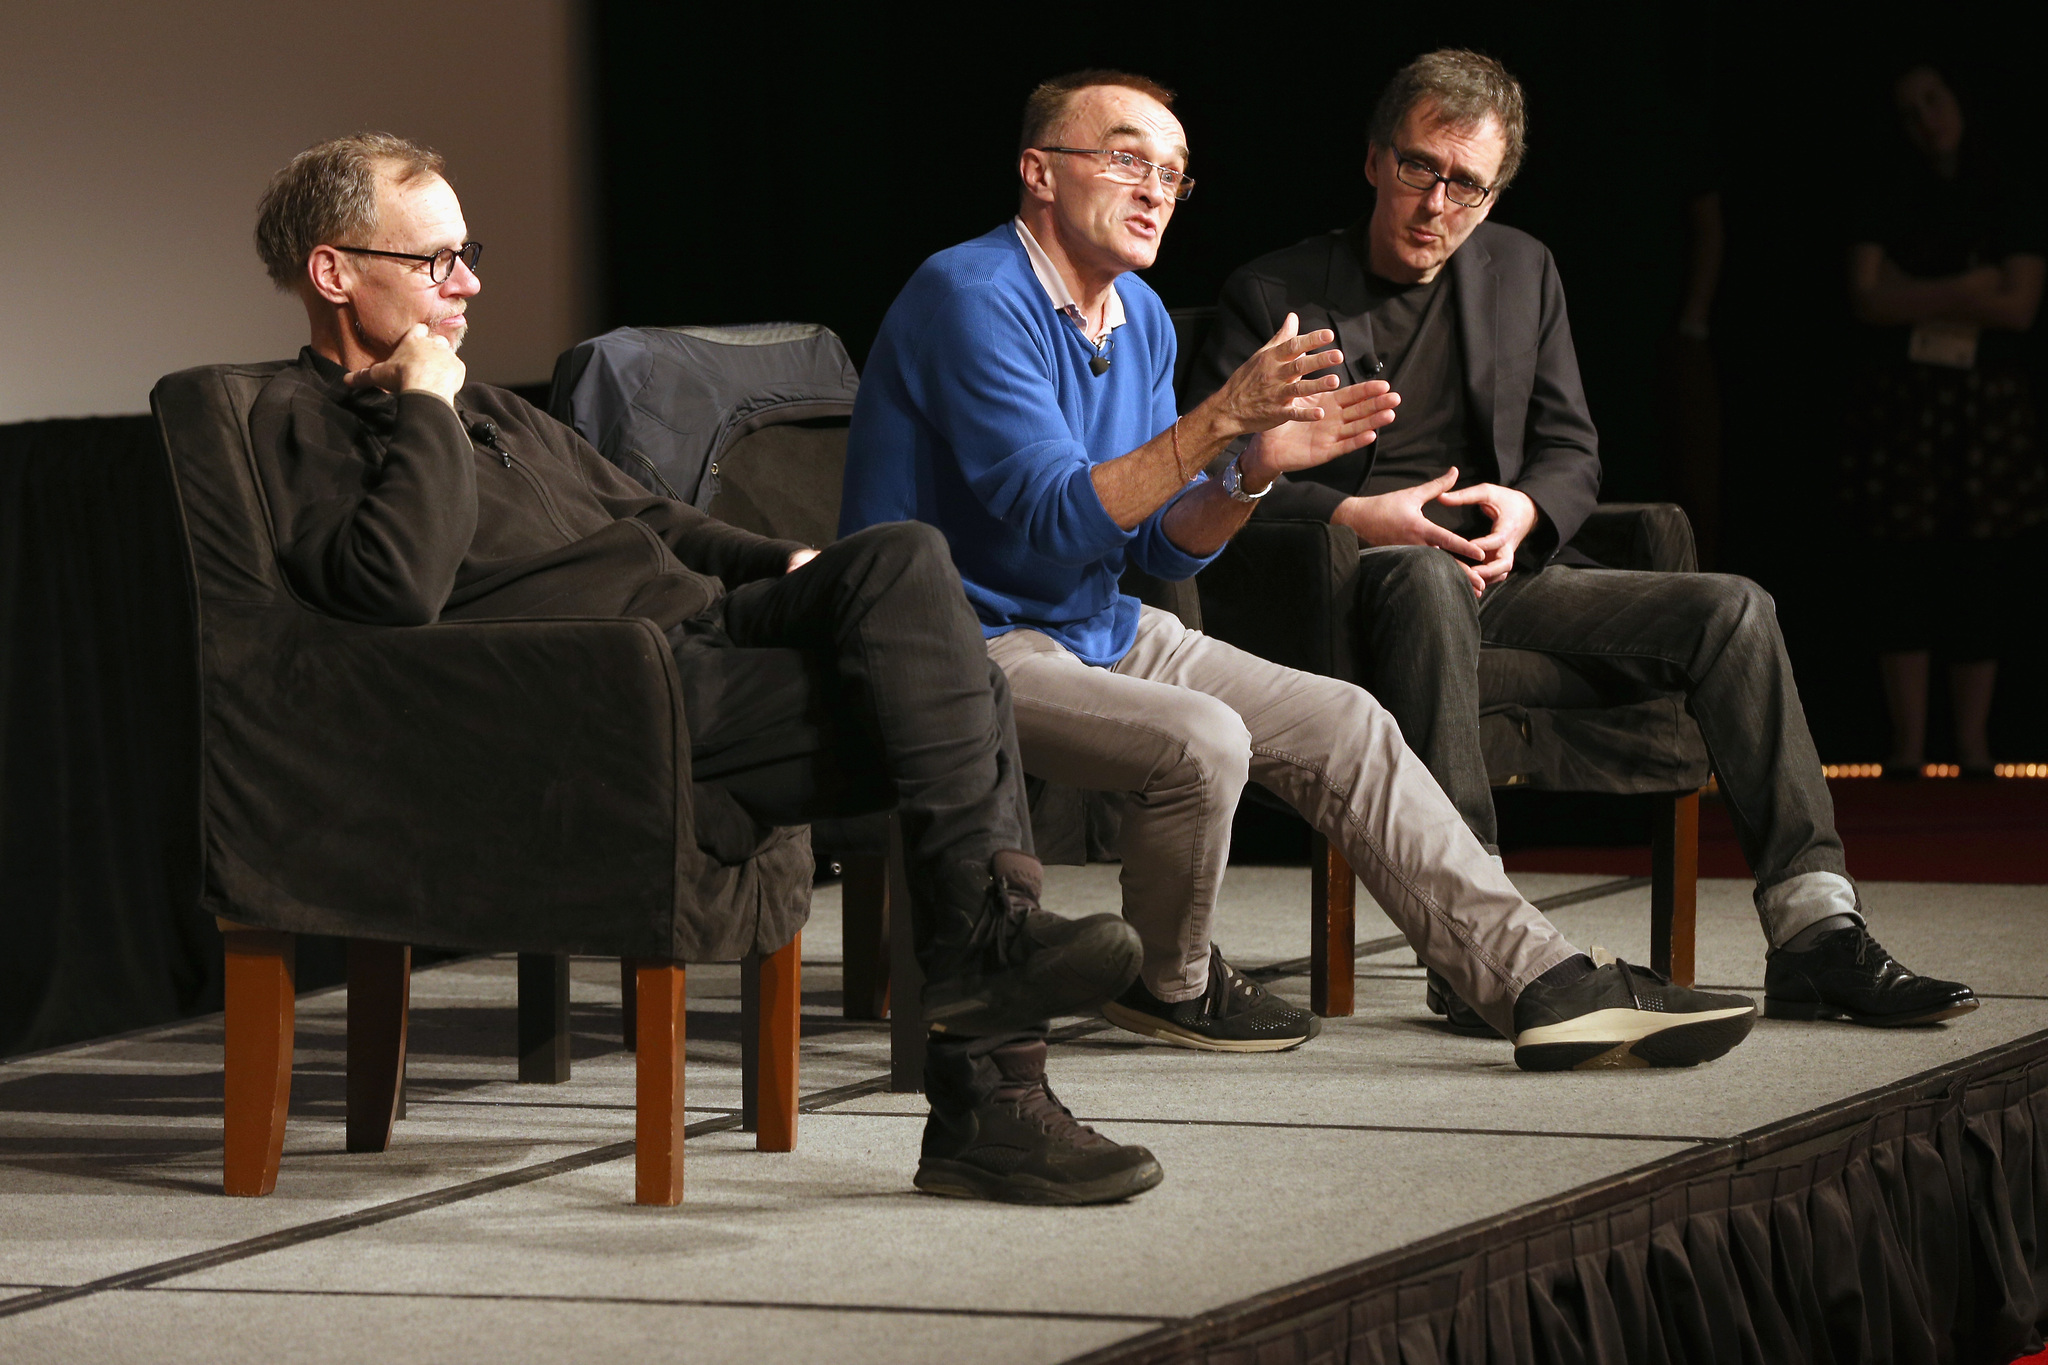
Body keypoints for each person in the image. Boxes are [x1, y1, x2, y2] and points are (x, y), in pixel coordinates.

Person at [249, 132, 1164, 1207]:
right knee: (965, 704)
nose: (470, 282)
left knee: (906, 563)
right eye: (435, 261)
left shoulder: (491, 410)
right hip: (597, 699)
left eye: (469, 252)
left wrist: (785, 560)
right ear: (333, 271)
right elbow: (397, 588)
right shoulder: (298, 425)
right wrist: (423, 403)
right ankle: (989, 1088)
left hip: (702, 638)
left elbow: (648, 517)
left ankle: (982, 967)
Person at [842, 71, 1759, 1073]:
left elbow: (1153, 546)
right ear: (1038, 173)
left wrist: (1249, 471)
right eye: (1125, 159)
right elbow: (1056, 513)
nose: (1155, 189)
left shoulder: (1138, 316)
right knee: (1203, 737)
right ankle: (1169, 980)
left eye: (1173, 173)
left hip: (1091, 623)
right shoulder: (969, 293)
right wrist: (1218, 424)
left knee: (1344, 722)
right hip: (955, 644)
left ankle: (1537, 982)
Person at [1188, 50, 1978, 1030]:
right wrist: (1357, 516)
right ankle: (1478, 946)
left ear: (1492, 192)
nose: (1436, 201)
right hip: (1355, 588)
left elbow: (1567, 451)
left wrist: (1526, 511)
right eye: (1417, 168)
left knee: (1733, 609)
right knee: (1419, 581)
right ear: (1372, 161)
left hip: (1505, 571)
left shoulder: (1521, 270)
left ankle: (1815, 935)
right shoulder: (1275, 295)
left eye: (1464, 183)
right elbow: (1213, 484)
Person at [1845, 63, 2045, 781]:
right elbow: (1868, 299)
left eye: (1934, 99)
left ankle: (1974, 747)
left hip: (1984, 402)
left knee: (1980, 569)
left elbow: (2020, 304)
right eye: (1909, 109)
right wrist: (1971, 285)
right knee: (1903, 568)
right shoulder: (1885, 192)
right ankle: (1905, 749)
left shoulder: (2007, 188)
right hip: (1907, 405)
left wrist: (1914, 290)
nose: (1926, 117)